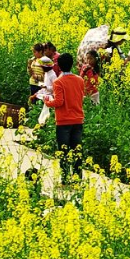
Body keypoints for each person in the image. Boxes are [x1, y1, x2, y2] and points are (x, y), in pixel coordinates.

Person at [44, 53, 85, 181]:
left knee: (63, 150)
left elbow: (59, 102)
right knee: (77, 150)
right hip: (78, 119)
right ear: (72, 64)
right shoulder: (80, 80)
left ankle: (65, 177)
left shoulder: (58, 82)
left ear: (59, 67)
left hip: (63, 121)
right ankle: (78, 177)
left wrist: (47, 102)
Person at [29, 57, 57, 125]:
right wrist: (36, 94)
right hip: (45, 96)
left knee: (46, 118)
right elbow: (44, 87)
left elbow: (55, 88)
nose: (42, 68)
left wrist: (46, 87)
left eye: (42, 67)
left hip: (50, 98)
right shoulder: (46, 74)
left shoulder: (53, 75)